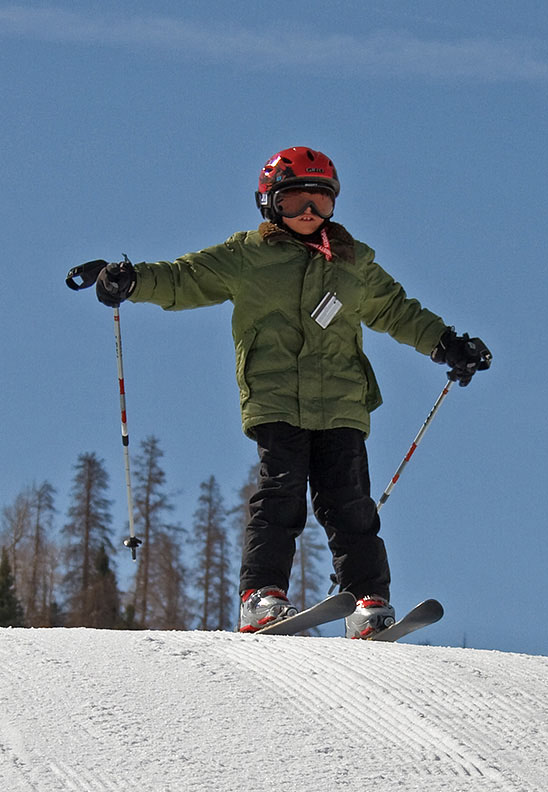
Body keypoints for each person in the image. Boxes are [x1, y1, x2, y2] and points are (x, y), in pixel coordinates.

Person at [93, 146, 491, 637]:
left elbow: (397, 310)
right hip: (276, 396)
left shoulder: (352, 262)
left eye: (320, 203)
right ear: (268, 204)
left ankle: (368, 602)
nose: (308, 213)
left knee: (351, 505)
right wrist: (133, 280)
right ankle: (261, 595)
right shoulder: (248, 256)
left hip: (342, 402)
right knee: (281, 495)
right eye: (294, 202)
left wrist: (446, 343)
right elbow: (185, 278)